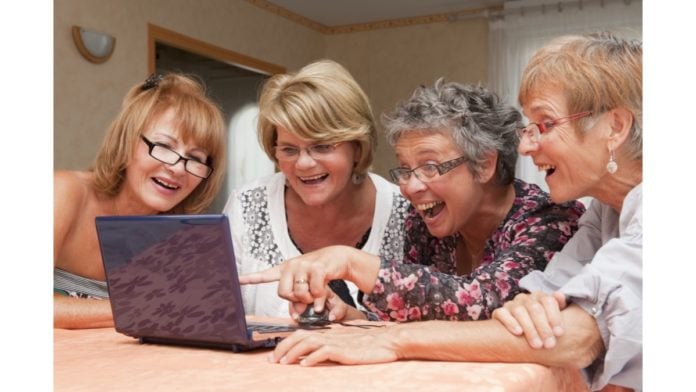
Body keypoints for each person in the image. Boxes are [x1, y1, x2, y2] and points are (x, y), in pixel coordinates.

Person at [252, 32, 643, 392]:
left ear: (615, 126)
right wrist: (354, 321)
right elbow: (535, 305)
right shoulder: (604, 213)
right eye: (405, 169)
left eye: (545, 124)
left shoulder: (559, 216)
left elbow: (569, 333)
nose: (526, 146)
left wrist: (360, 277)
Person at [241, 79, 585, 324]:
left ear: (484, 164)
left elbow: (481, 301)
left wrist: (350, 262)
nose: (411, 187)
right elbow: (404, 321)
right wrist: (353, 317)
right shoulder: (425, 222)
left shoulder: (551, 219)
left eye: (430, 167)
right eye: (404, 170)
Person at [223, 59, 408, 320]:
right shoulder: (246, 206)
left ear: (357, 146)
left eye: (322, 146)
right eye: (289, 149)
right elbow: (217, 316)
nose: (304, 163)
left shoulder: (406, 211)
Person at [54, 73, 226, 329]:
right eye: (164, 146)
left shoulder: (179, 237)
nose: (178, 169)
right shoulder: (64, 191)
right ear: (125, 141)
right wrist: (143, 308)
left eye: (196, 158)